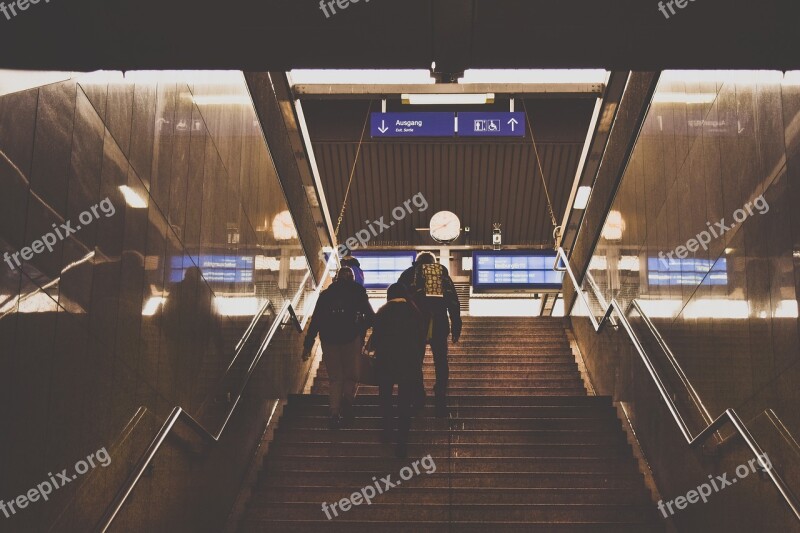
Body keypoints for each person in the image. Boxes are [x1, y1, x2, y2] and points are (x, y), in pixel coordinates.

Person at [303, 266, 374, 429]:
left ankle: (334, 413)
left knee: (335, 377)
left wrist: (308, 344)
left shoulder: (326, 295)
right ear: (352, 279)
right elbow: (371, 317)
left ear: (336, 279)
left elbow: (315, 321)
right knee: (350, 374)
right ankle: (347, 402)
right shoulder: (357, 292)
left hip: (329, 340)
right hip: (351, 339)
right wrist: (359, 327)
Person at [399, 252, 461, 417]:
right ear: (434, 262)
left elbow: (398, 299)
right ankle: (440, 396)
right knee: (441, 361)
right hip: (439, 322)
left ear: (416, 262)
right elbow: (453, 300)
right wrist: (456, 324)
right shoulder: (442, 274)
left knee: (414, 361)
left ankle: (418, 396)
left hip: (415, 324)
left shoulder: (408, 274)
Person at [371, 283, 425, 458]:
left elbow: (376, 338)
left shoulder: (382, 311)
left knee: (385, 398)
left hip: (386, 362)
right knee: (404, 403)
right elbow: (421, 339)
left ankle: (387, 430)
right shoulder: (414, 312)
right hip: (408, 363)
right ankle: (402, 443)